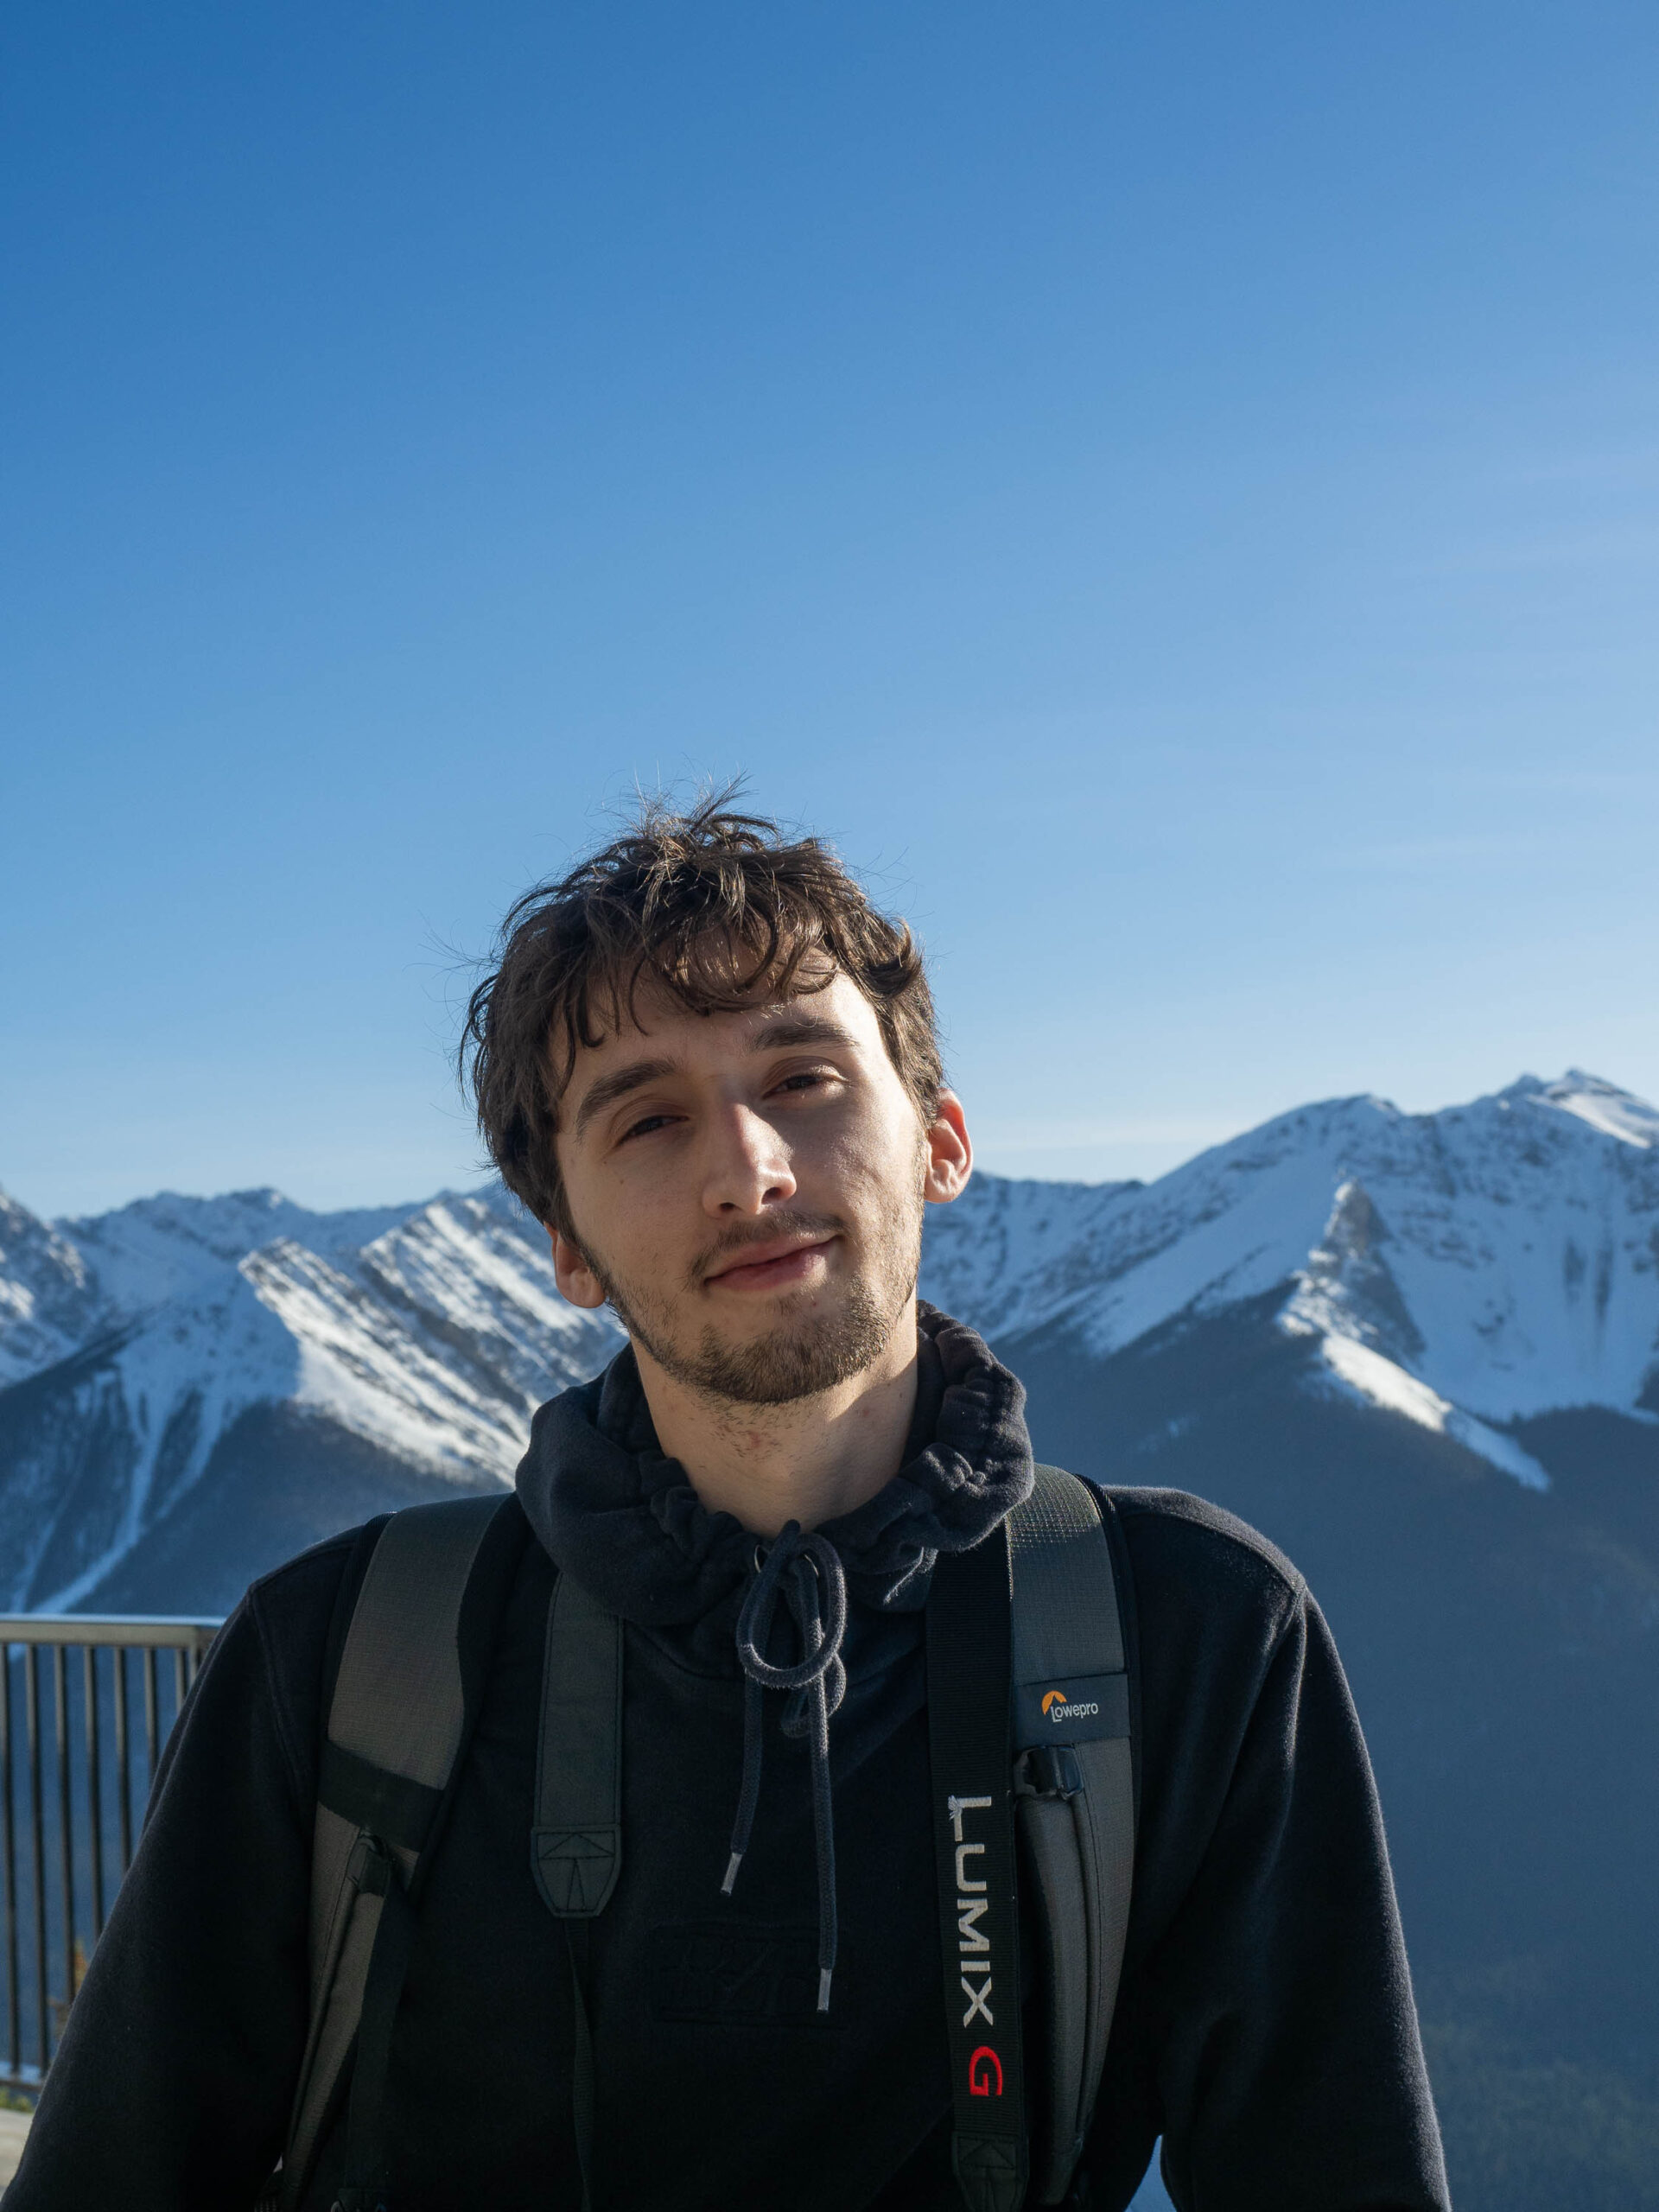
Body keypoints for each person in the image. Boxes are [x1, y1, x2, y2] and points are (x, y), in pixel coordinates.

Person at [8, 798, 1450, 2211]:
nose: (746, 1171)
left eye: (805, 1081)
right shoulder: (340, 1663)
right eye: (646, 1120)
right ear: (565, 1247)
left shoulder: (1189, 1638)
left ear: (942, 1143)